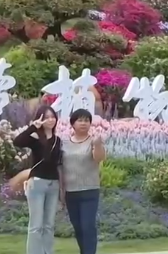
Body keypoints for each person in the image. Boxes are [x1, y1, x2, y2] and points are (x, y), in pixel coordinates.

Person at [14, 106, 63, 254]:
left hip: (53, 184)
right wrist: (32, 128)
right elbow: (18, 141)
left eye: (53, 116)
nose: (50, 120)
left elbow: (58, 163)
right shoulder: (35, 138)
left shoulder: (57, 140)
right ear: (40, 118)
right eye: (46, 117)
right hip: (37, 183)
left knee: (49, 224)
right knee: (36, 225)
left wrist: (62, 187)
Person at [61, 109, 106, 254]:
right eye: (80, 120)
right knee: (78, 227)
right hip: (71, 192)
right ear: (73, 123)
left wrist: (98, 145)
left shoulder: (93, 141)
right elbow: (59, 167)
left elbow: (98, 158)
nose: (83, 123)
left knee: (88, 226)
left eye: (86, 120)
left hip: (89, 191)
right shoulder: (64, 143)